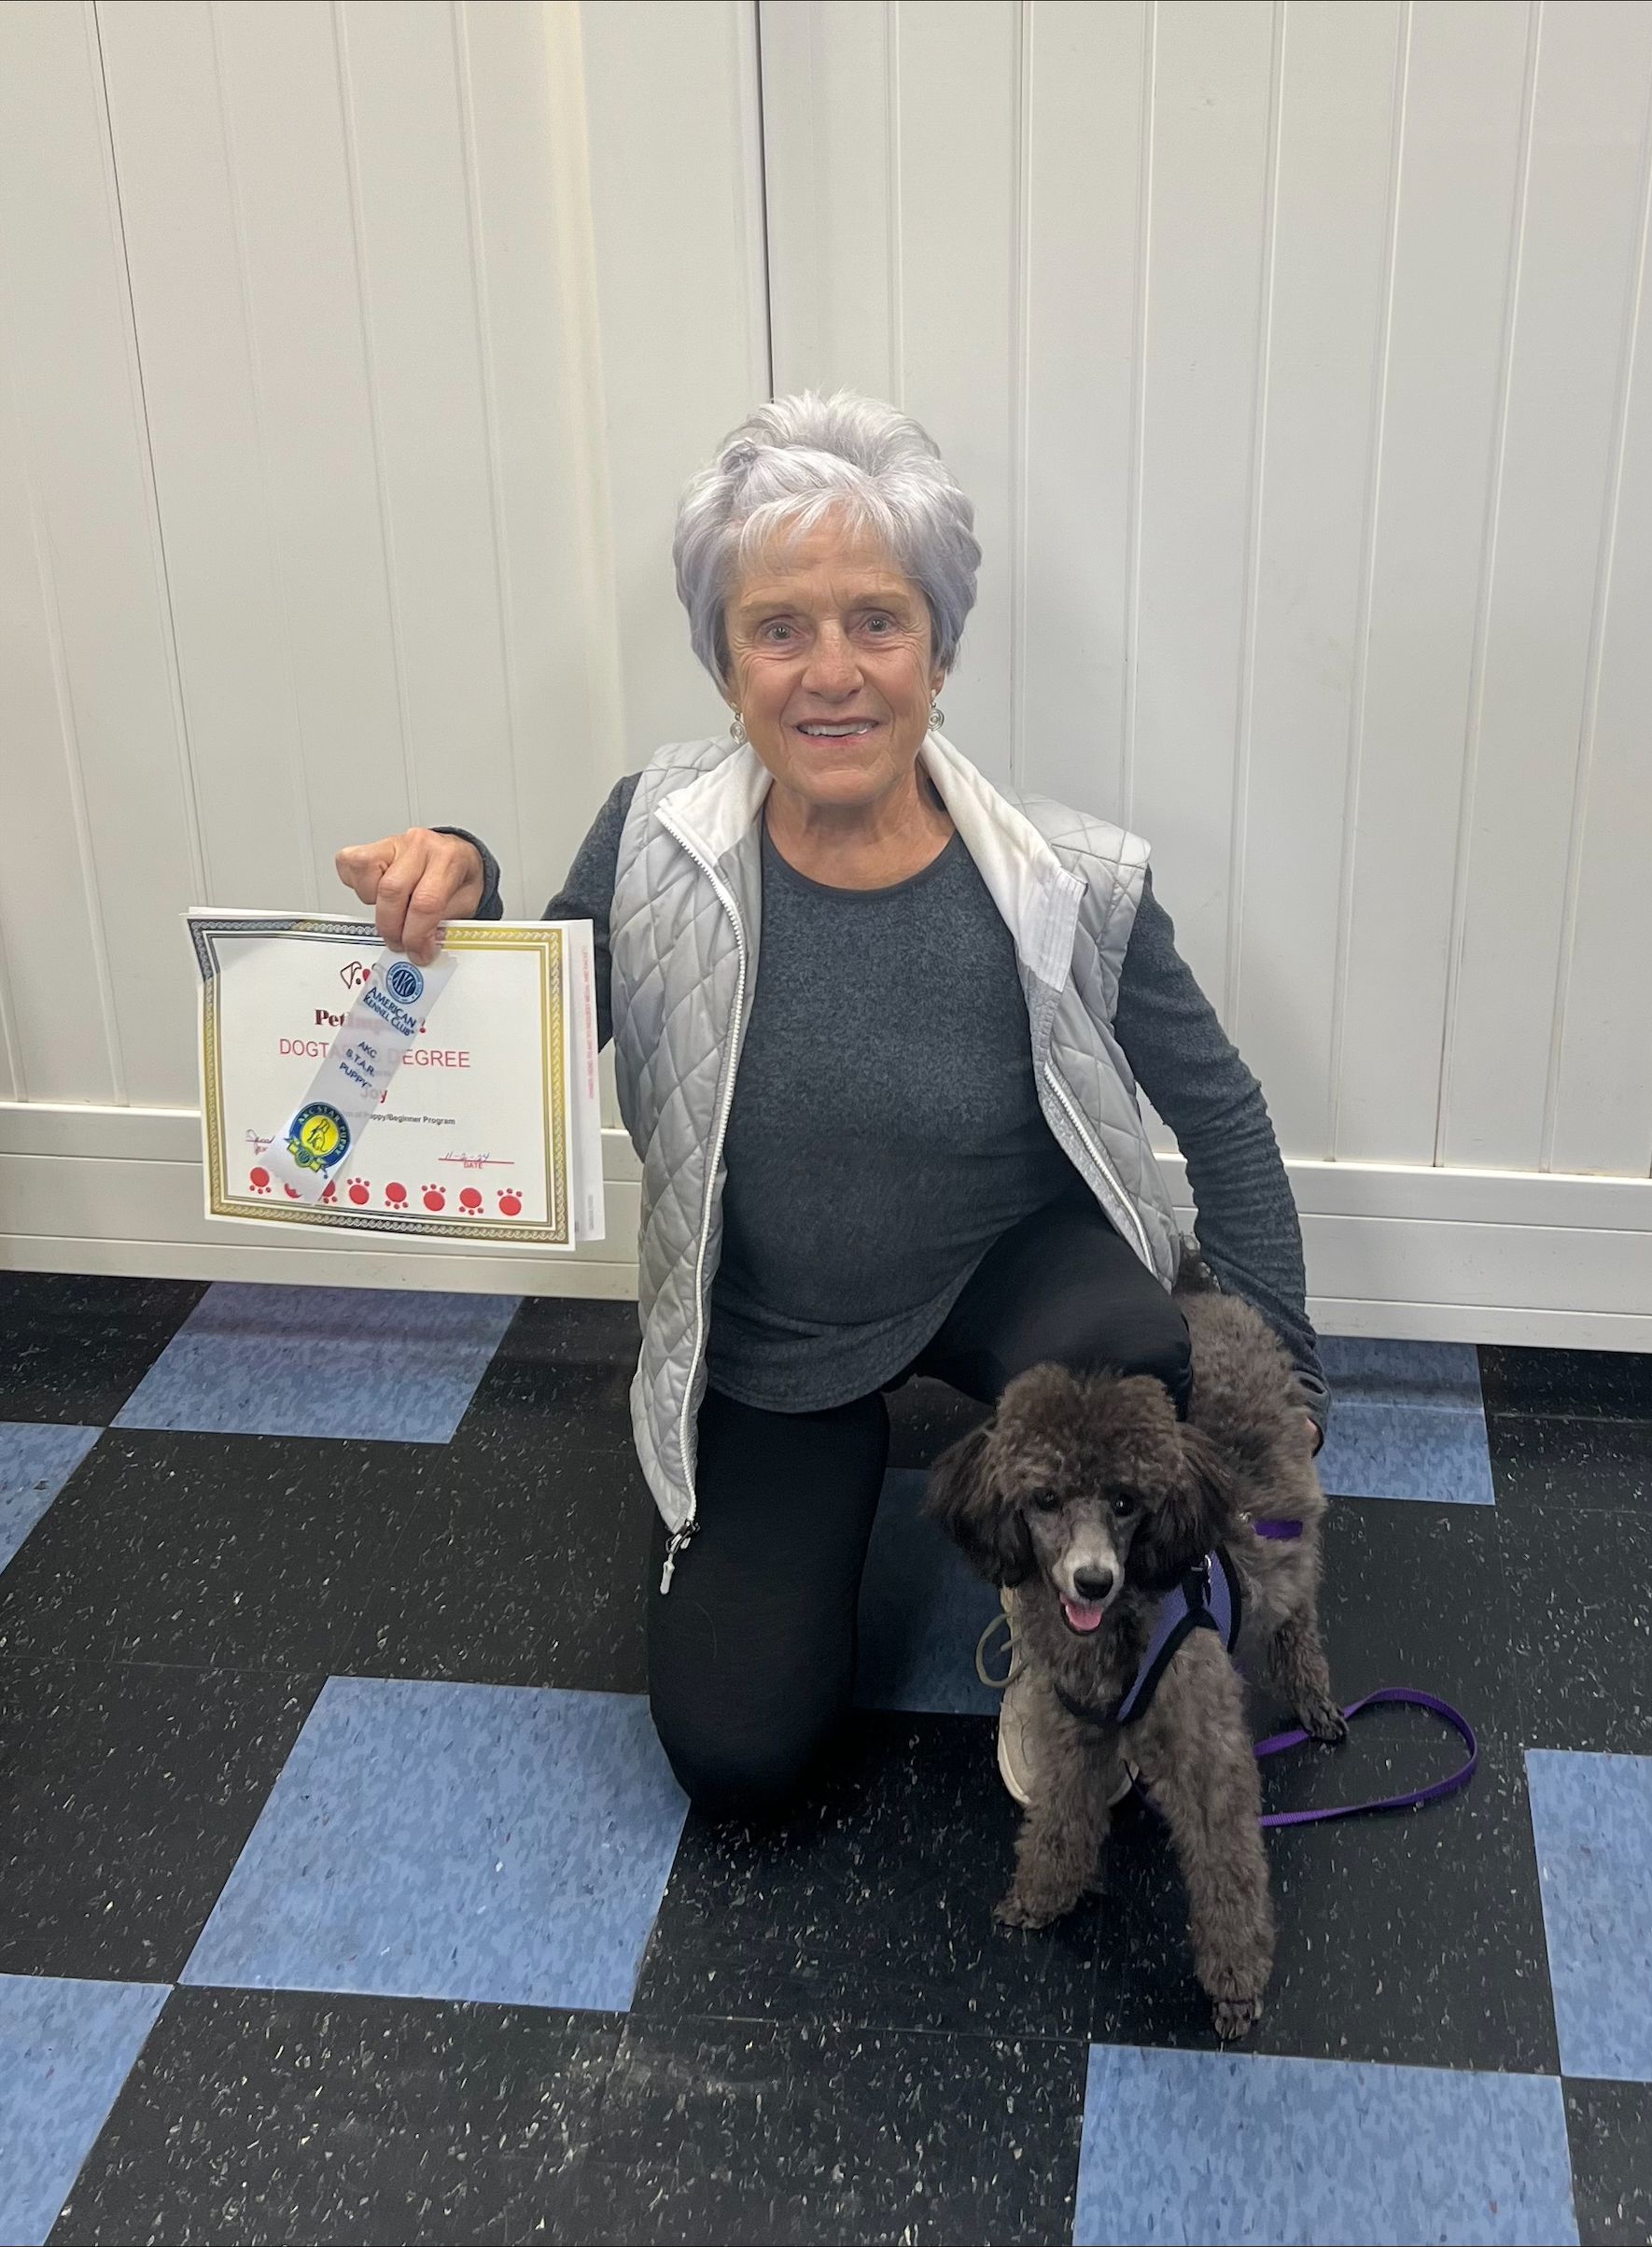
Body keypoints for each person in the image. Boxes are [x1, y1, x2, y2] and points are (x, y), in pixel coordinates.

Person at [335, 390, 1328, 1819]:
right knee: (741, 1755)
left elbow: (1220, 1112)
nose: (831, 673)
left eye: (877, 620)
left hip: (1008, 1266)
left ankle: (1065, 1642)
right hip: (776, 1318)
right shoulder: (655, 839)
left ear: (939, 649)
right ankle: (832, 1464)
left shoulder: (1066, 876)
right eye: (777, 628)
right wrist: (467, 890)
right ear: (724, 664)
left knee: (1128, 1353)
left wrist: (1287, 1383)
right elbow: (531, 1044)